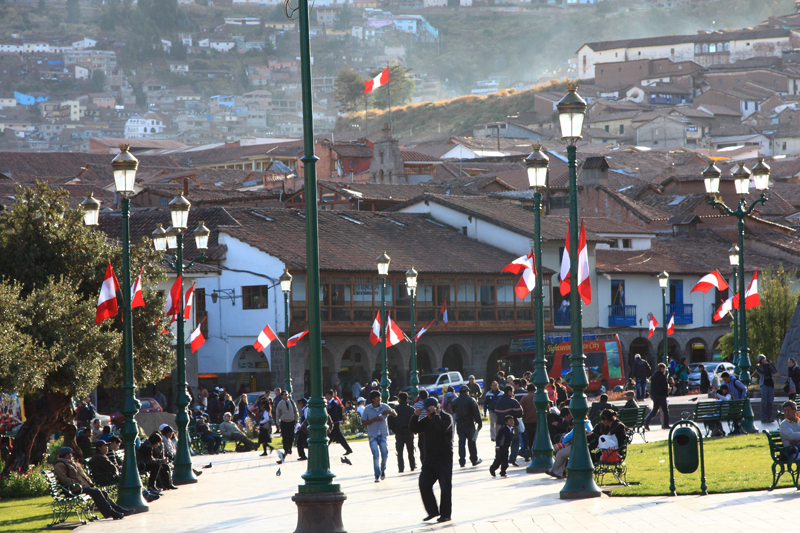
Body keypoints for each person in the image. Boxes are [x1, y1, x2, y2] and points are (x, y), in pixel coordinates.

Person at [54, 447, 131, 520]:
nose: (71, 455)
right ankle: (112, 513)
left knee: (103, 492)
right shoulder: (60, 465)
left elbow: (82, 475)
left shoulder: (70, 463)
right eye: (70, 454)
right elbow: (63, 479)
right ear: (66, 455)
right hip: (73, 489)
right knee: (96, 492)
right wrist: (76, 483)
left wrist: (89, 482)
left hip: (81, 487)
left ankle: (119, 510)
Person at [410, 397, 453, 524]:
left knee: (445, 487)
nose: (427, 414)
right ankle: (433, 511)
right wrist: (415, 416)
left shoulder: (446, 418)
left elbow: (442, 428)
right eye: (426, 411)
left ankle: (445, 514)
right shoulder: (427, 420)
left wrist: (434, 415)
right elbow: (414, 428)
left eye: (429, 411)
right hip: (430, 459)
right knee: (424, 483)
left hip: (444, 458)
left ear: (437, 409)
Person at [361, 390, 397, 482]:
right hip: (372, 435)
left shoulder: (384, 406)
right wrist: (374, 419)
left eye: (380, 397)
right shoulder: (367, 409)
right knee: (376, 455)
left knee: (385, 454)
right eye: (377, 398)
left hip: (383, 434)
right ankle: (377, 475)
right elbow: (363, 423)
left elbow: (395, 414)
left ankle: (383, 469)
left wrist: (390, 411)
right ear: (373, 399)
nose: (379, 399)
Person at [546, 414, 593, 479]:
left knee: (560, 453)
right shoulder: (587, 423)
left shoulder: (580, 424)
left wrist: (563, 440)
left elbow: (569, 436)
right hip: (580, 445)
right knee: (562, 453)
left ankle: (553, 470)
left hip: (578, 447)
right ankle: (558, 472)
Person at [450, 385, 482, 468]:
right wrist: (479, 423)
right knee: (472, 443)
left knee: (461, 442)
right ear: (466, 391)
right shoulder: (471, 400)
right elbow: (476, 412)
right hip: (470, 424)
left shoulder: (455, 401)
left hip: (460, 424)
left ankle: (462, 461)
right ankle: (474, 460)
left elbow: (452, 410)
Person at [493, 385, 523, 466]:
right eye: (512, 392)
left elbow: (496, 411)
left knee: (503, 442)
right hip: (512, 425)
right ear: (509, 392)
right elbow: (520, 413)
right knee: (515, 441)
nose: (513, 393)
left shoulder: (499, 400)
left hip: (502, 425)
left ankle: (503, 459)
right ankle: (512, 458)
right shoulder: (513, 401)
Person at [388, 391, 416, 473]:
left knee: (399, 452)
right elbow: (415, 420)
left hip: (399, 433)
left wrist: (394, 430)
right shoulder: (411, 410)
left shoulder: (395, 410)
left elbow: (390, 421)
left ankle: (401, 467)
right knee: (410, 450)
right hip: (409, 432)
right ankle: (412, 466)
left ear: (399, 399)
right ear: (407, 399)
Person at [325, 390, 354, 456]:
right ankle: (348, 449)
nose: (327, 396)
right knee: (331, 436)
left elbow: (334, 413)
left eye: (328, 395)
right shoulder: (329, 403)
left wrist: (329, 420)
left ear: (331, 395)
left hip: (334, 422)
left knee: (337, 436)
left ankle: (348, 449)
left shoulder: (334, 403)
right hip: (332, 422)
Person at [644, 363, 670, 431]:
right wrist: (666, 393)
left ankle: (646, 421)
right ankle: (666, 425)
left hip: (655, 395)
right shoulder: (662, 376)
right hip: (661, 395)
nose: (665, 370)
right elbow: (664, 386)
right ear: (661, 368)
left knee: (655, 409)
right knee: (665, 410)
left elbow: (652, 386)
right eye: (664, 368)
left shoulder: (654, 375)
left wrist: (652, 395)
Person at [274, 390, 299, 458]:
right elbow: (277, 414)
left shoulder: (292, 402)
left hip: (291, 422)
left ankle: (290, 448)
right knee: (285, 437)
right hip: (284, 422)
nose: (286, 396)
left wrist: (296, 419)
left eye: (287, 394)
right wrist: (278, 423)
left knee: (291, 436)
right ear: (282, 396)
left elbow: (295, 411)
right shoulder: (280, 404)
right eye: (285, 395)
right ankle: (286, 449)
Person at [756, 354, 778, 424]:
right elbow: (764, 373)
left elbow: (774, 371)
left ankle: (769, 417)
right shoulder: (758, 367)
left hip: (770, 385)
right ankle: (764, 418)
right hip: (764, 385)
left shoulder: (768, 365)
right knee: (764, 402)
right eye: (762, 359)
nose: (764, 361)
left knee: (770, 402)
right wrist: (765, 365)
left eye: (764, 359)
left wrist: (770, 364)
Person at [519, 383, 537, 455]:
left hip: (527, 421)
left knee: (529, 438)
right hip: (538, 420)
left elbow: (520, 409)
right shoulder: (538, 396)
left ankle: (529, 452)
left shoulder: (524, 398)